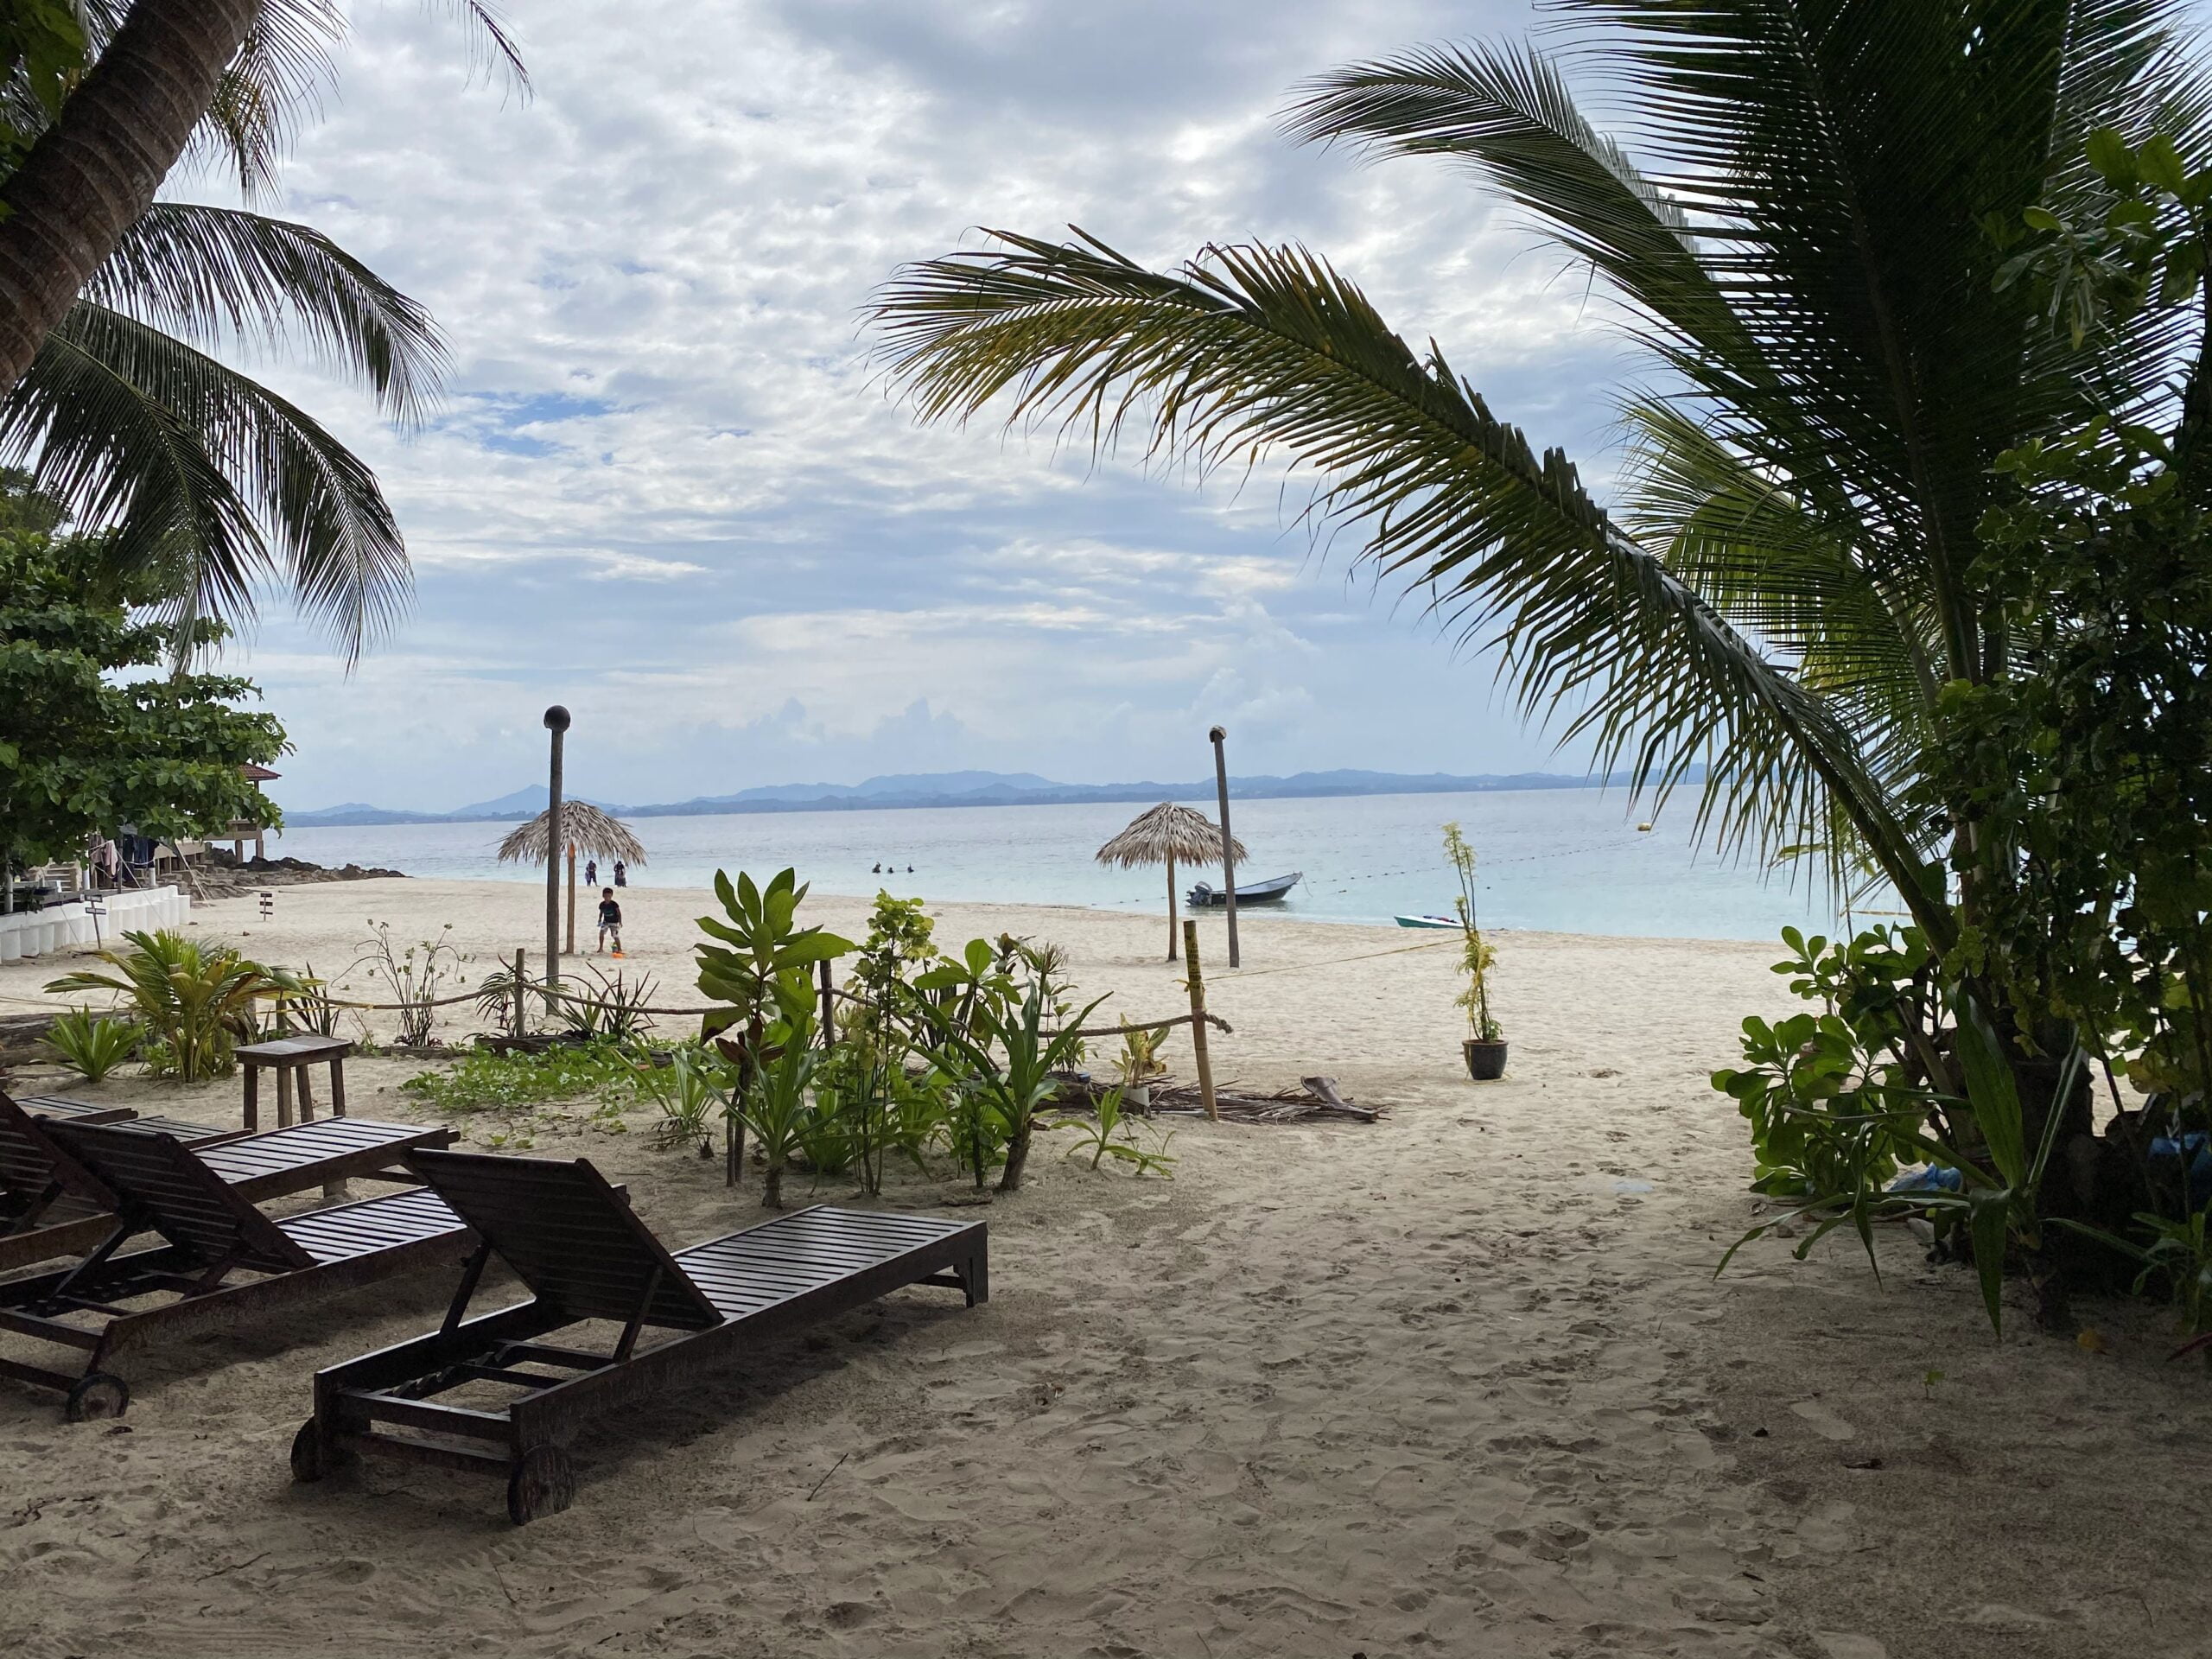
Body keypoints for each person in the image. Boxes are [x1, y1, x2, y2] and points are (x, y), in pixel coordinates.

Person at [596, 887, 624, 957]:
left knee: (615, 935)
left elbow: (619, 913)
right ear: (603, 896)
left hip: (614, 922)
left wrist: (620, 922)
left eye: (609, 896)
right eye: (606, 896)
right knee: (601, 933)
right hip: (606, 921)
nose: (607, 898)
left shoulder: (614, 904)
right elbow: (601, 913)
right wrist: (599, 919)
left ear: (611, 896)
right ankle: (601, 948)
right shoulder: (602, 905)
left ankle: (619, 949)